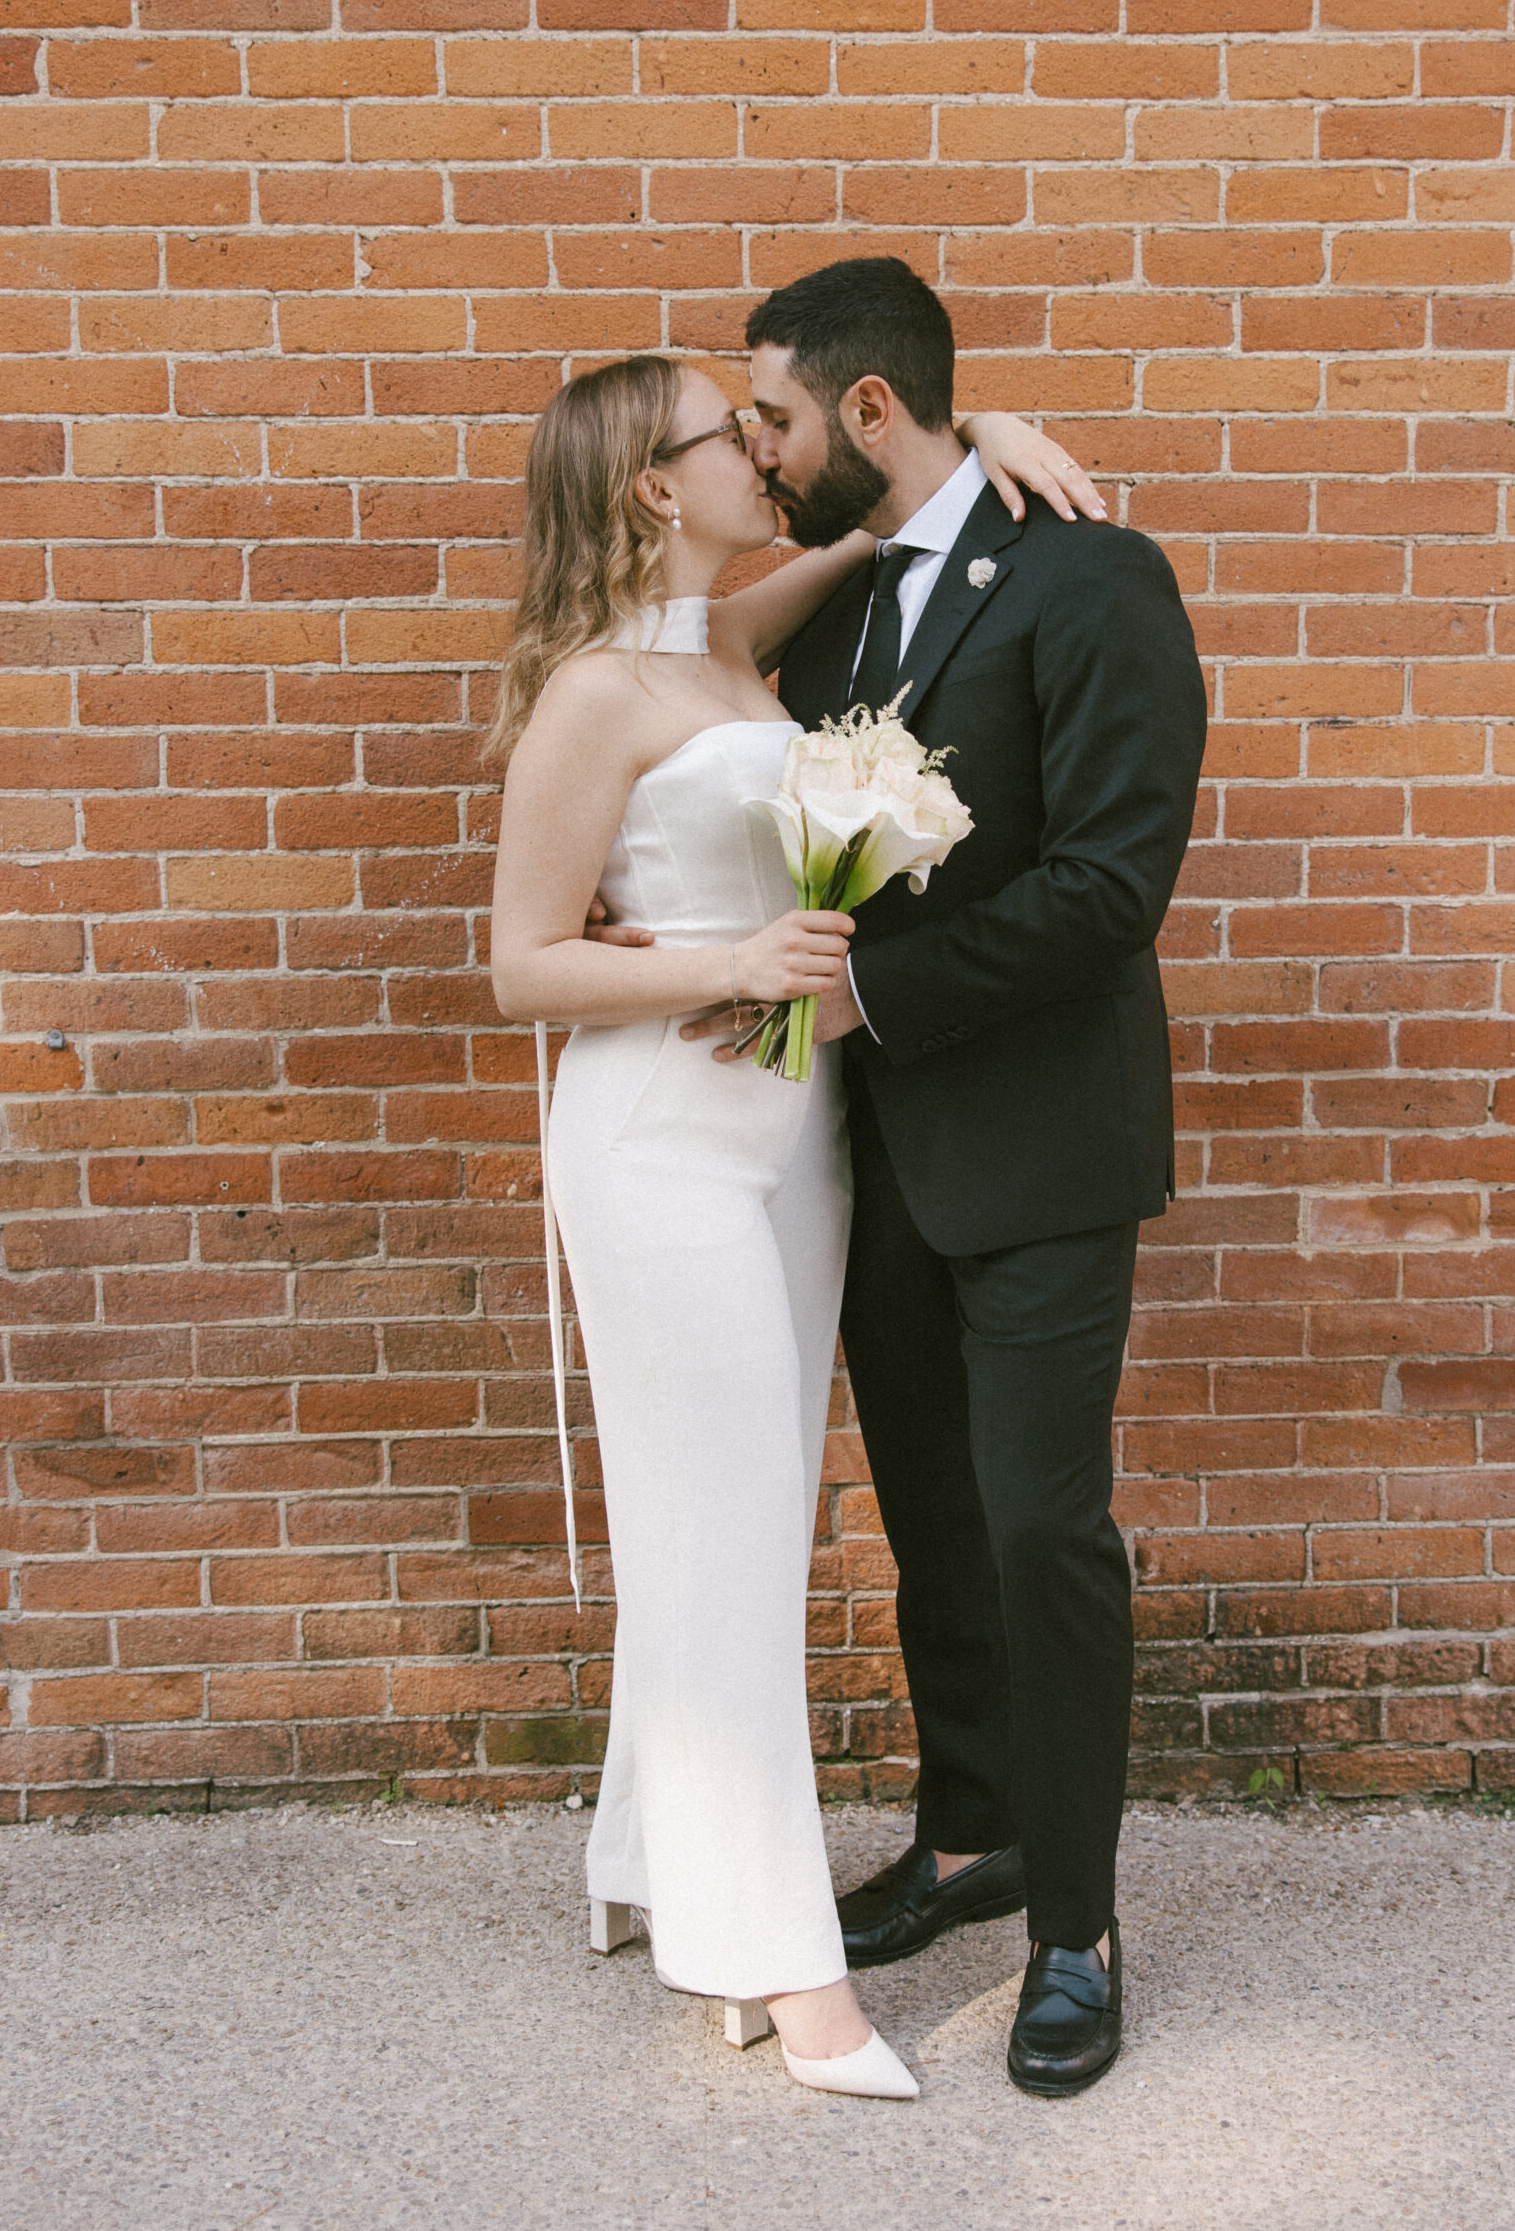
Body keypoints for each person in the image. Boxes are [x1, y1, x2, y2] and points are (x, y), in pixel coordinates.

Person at [487, 349, 1097, 2102]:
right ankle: (779, 1966)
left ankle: (647, 1863)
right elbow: (521, 960)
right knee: (731, 1547)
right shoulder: (600, 693)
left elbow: (892, 541)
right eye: (731, 433)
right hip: (666, 1145)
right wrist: (735, 964)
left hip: (794, 1146)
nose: (769, 451)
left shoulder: (732, 646)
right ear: (651, 487)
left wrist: (983, 438)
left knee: (741, 1524)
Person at [681, 256, 1206, 2096]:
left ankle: (1078, 1923)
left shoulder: (1096, 578)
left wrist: (867, 1001)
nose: (764, 443)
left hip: (1045, 1149)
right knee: (933, 1525)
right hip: (879, 1162)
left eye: (779, 416)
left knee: (1045, 1530)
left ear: (870, 414)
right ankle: (974, 1832)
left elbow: (1113, 884)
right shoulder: (833, 619)